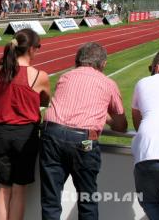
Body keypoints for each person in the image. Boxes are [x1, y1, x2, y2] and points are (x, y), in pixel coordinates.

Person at [40, 42, 127, 219]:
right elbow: (121, 125)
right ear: (102, 64)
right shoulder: (108, 83)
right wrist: (105, 116)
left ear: (78, 60)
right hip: (83, 140)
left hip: (52, 134)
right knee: (87, 199)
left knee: (50, 199)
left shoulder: (66, 77)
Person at [0, 29, 50, 220]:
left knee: (3, 188)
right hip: (25, 136)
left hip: (0, 134)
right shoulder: (39, 75)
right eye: (37, 47)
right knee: (18, 189)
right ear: (31, 49)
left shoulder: (1, 69)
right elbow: (46, 101)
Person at [131, 50, 159, 220]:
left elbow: (137, 119)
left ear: (157, 67)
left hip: (147, 152)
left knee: (150, 202)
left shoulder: (143, 82)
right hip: (148, 150)